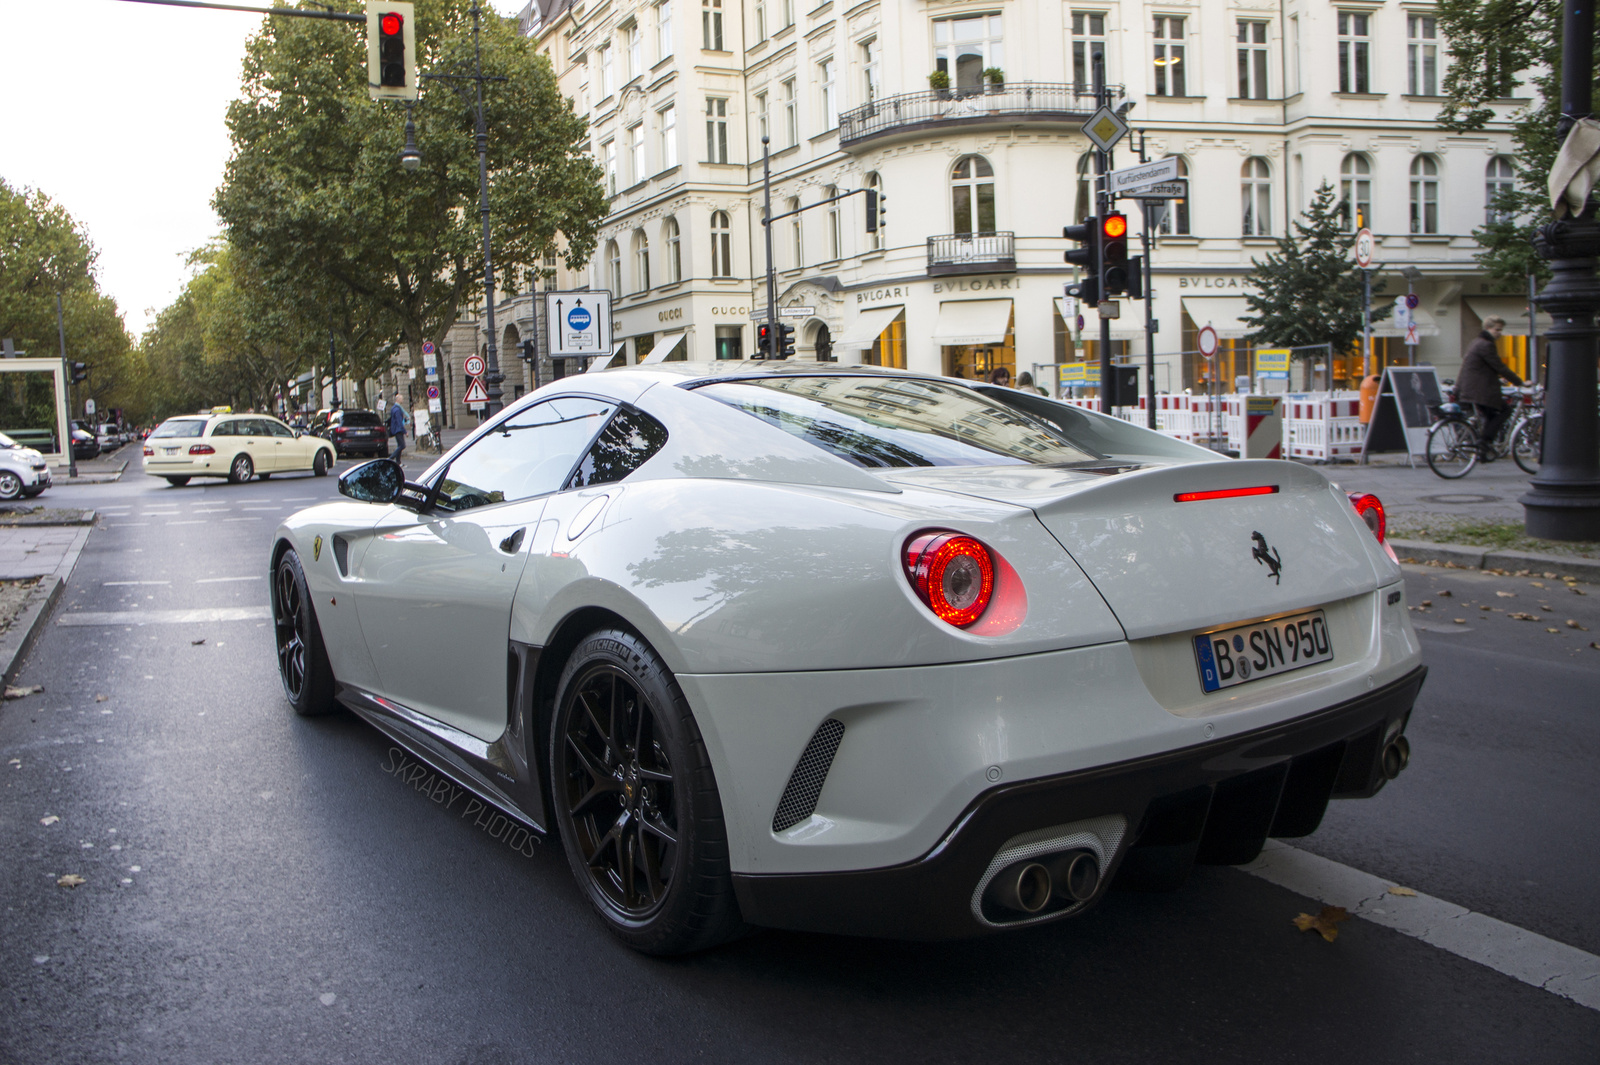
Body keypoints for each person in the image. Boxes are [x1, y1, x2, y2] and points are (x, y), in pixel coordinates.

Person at [1456, 315, 1523, 459]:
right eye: (1496, 330)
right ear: (1487, 328)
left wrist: (1457, 388)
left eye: (1501, 330)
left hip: (1471, 389)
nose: (1499, 333)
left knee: (1491, 416)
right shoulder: (1486, 345)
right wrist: (1520, 382)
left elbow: (1464, 366)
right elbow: (1500, 367)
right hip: (1480, 391)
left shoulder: (1475, 342)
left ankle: (1483, 451)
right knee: (1505, 411)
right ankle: (1484, 442)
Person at [387, 392, 409, 463]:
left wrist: (405, 420)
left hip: (396, 428)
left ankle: (398, 462)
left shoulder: (395, 408)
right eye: (402, 399)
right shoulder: (397, 409)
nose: (403, 400)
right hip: (398, 429)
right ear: (398, 400)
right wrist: (405, 431)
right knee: (402, 445)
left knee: (400, 445)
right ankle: (390, 458)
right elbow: (399, 421)